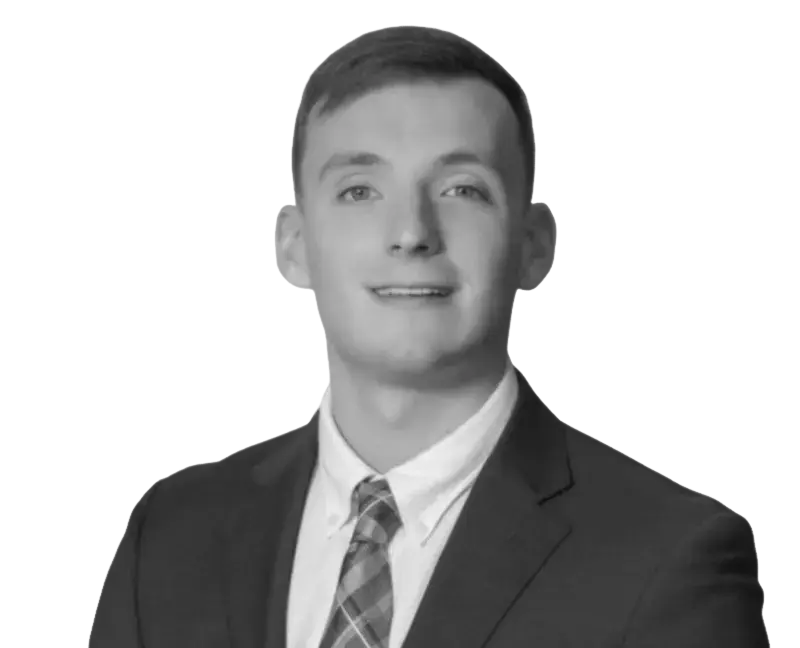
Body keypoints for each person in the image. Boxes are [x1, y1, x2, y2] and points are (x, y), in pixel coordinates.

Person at [86, 25, 773, 648]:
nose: (411, 232)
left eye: (461, 189)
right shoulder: (168, 533)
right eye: (359, 190)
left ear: (533, 245)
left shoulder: (670, 557)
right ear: (291, 246)